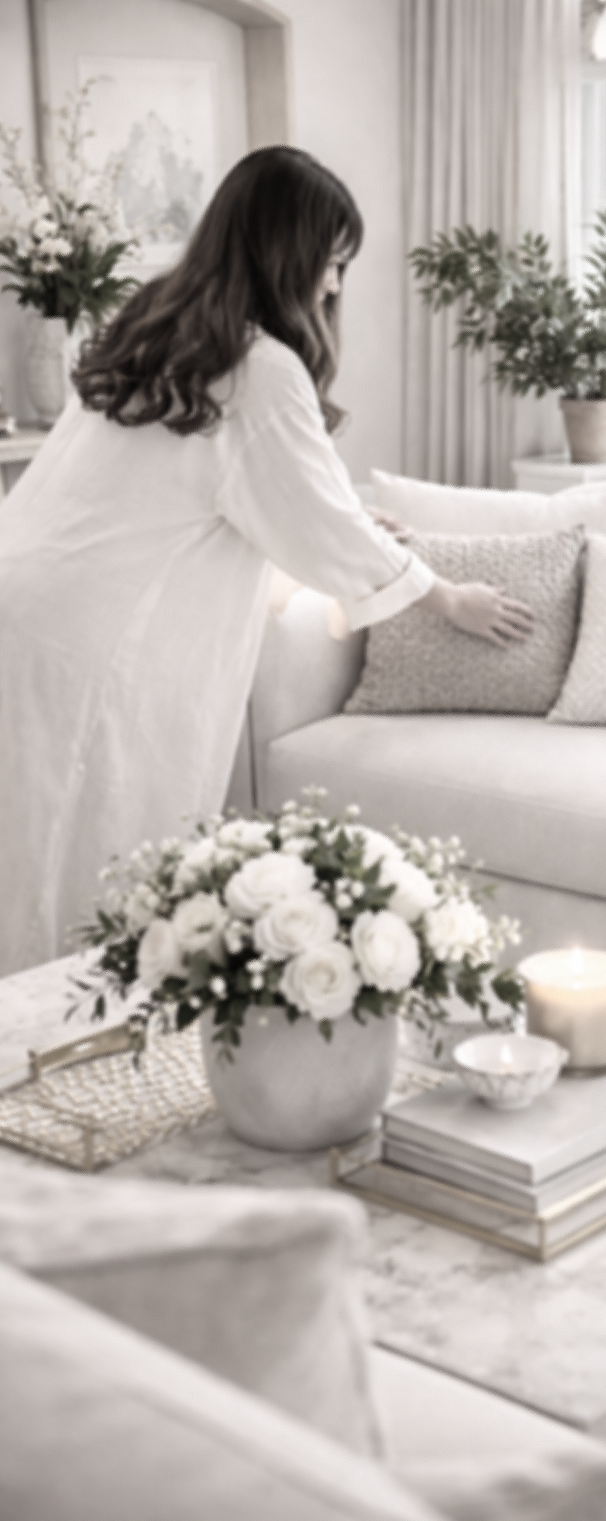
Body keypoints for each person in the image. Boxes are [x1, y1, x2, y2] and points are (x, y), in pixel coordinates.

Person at [0, 146, 532, 978]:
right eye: (331, 261)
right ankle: (65, 1038)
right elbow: (312, 517)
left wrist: (341, 516)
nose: (333, 285)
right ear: (289, 251)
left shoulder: (151, 320)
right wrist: (449, 598)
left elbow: (219, 485)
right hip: (101, 642)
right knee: (90, 860)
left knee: (26, 847)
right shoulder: (259, 365)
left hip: (28, 603)